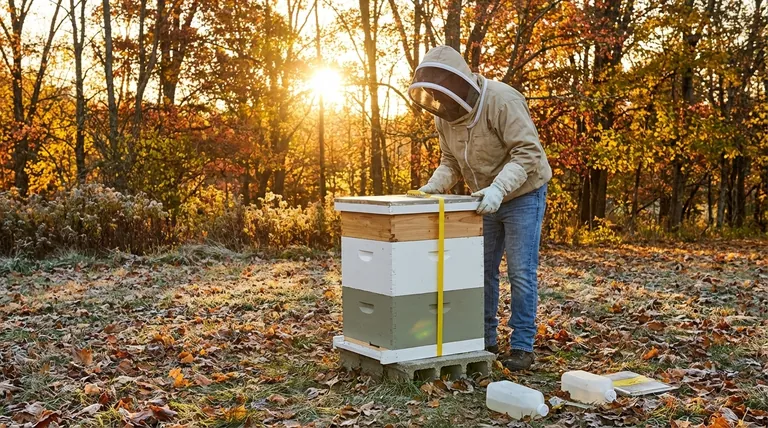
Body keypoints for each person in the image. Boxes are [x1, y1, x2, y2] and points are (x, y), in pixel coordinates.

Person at [408, 45, 551, 371]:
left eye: (442, 93)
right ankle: (484, 340)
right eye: (434, 95)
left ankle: (522, 346)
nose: (440, 102)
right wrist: (434, 185)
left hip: (523, 194)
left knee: (520, 272)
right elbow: (450, 161)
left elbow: (528, 153)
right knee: (481, 272)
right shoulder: (444, 115)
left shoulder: (503, 100)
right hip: (483, 199)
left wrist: (500, 188)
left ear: (461, 83)